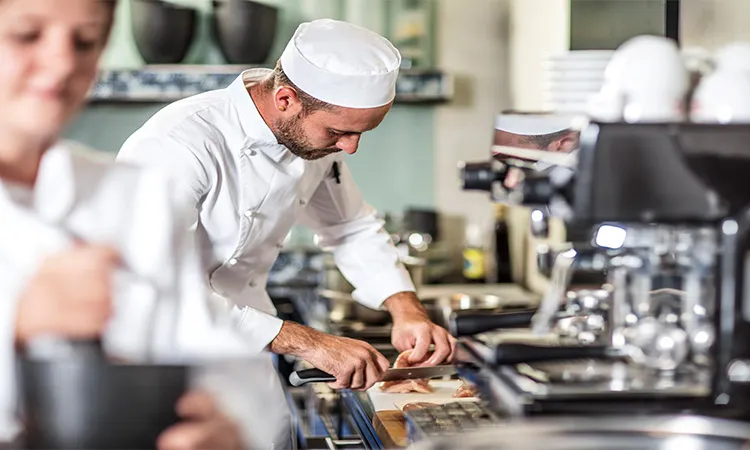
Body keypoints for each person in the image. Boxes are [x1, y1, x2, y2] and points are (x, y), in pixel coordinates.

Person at [0, 1, 291, 448]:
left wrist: (230, 425)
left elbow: (229, 366)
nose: (63, 63)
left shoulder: (132, 195)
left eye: (85, 41)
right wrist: (17, 325)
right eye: (25, 35)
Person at [117, 19, 455, 391]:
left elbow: (349, 227)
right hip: (167, 366)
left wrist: (406, 309)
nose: (351, 147)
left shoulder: (313, 139)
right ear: (285, 100)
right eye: (339, 132)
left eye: (360, 132)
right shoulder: (176, 145)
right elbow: (153, 286)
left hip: (248, 350)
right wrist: (311, 343)